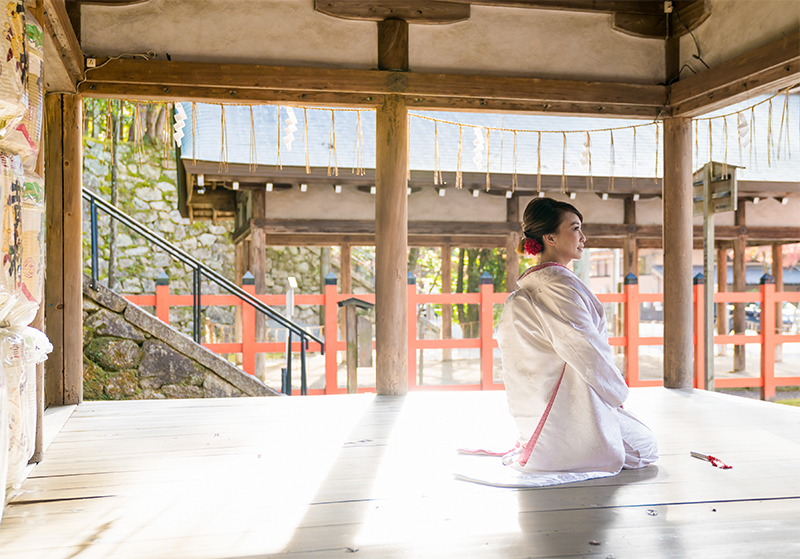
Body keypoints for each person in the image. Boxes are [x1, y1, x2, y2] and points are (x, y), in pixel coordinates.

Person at [495, 197, 657, 482]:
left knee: (636, 440)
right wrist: (616, 393)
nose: (583, 237)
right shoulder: (557, 286)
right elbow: (584, 349)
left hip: (543, 404)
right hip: (564, 404)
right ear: (550, 238)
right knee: (645, 448)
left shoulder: (542, 283)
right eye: (575, 228)